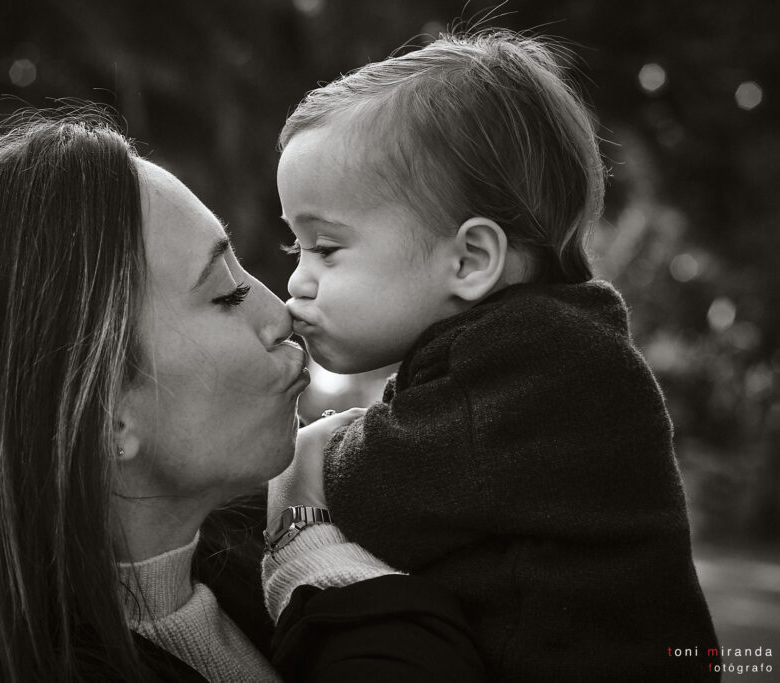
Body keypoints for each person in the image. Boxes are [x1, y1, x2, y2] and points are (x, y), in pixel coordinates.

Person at [0, 108, 485, 682]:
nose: (282, 311)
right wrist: (313, 545)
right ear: (106, 414)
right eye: (227, 294)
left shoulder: (245, 553)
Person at [276, 30, 720, 681]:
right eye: (296, 249)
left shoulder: (538, 363)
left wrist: (308, 456)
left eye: (326, 247)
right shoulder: (541, 349)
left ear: (470, 259)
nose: (297, 281)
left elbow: (379, 498)